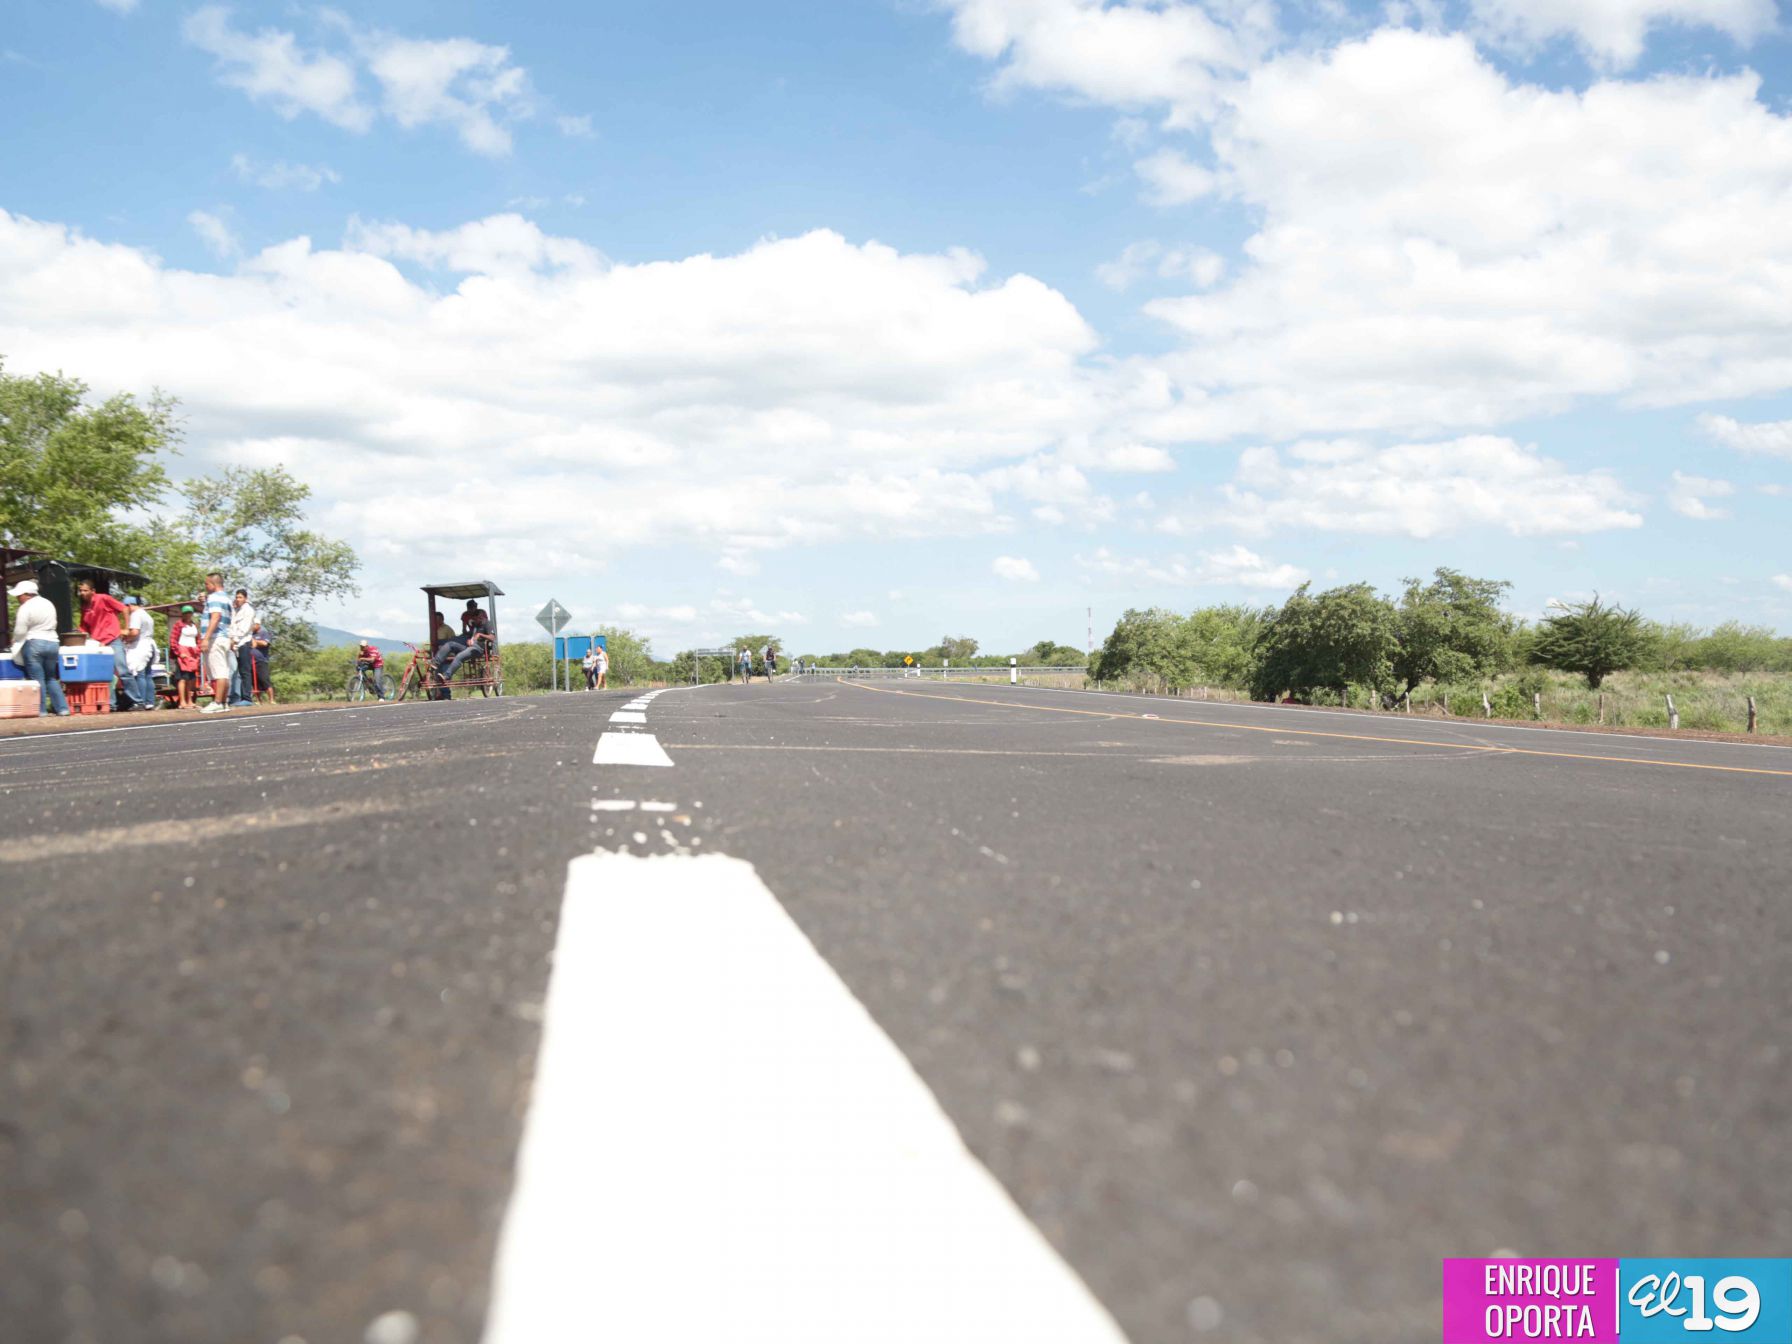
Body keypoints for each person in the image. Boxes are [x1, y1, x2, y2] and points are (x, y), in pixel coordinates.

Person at [7, 579, 69, 715]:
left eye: (19, 595)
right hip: (53, 642)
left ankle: (41, 710)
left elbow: (20, 631)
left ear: (27, 594)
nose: (18, 598)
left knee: (37, 679)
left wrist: (15, 640)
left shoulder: (25, 607)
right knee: (51, 677)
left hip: (34, 642)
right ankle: (63, 708)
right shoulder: (48, 603)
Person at [75, 579, 129, 708]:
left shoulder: (104, 598)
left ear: (93, 591)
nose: (82, 593)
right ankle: (111, 704)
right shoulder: (84, 606)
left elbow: (124, 609)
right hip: (99, 644)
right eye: (80, 591)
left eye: (85, 590)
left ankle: (137, 701)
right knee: (106, 675)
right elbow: (83, 627)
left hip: (113, 639)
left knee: (123, 671)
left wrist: (126, 628)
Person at [200, 572, 234, 714]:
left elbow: (215, 617)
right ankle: (224, 702)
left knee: (218, 671)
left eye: (207, 584)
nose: (205, 586)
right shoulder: (226, 598)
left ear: (214, 584)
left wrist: (206, 638)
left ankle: (218, 702)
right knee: (224, 671)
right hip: (225, 637)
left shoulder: (213, 597)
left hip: (216, 637)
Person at [122, 596, 157, 710]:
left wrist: (126, 638)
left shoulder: (136, 615)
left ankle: (140, 701)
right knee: (147, 675)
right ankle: (149, 701)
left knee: (139, 674)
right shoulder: (146, 614)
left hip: (140, 646)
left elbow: (135, 632)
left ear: (129, 605)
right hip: (150, 645)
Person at [228, 589, 257, 708]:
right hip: (235, 644)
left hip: (243, 643)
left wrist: (234, 639)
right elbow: (232, 624)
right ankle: (236, 697)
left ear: (245, 598)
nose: (238, 599)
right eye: (237, 597)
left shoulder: (248, 610)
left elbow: (244, 628)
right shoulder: (237, 610)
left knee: (245, 671)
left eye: (240, 597)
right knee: (236, 671)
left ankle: (247, 698)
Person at [170, 604, 200, 709]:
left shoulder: (194, 625)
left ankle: (190, 700)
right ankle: (182, 701)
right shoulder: (178, 625)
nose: (188, 615)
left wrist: (198, 650)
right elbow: (173, 640)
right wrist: (179, 652)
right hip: (183, 652)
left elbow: (198, 639)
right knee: (182, 678)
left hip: (193, 653)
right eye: (186, 613)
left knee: (191, 678)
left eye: (190, 613)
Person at [250, 621, 274, 704]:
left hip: (261, 660)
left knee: (264, 680)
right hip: (250, 661)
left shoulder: (264, 633)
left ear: (258, 625)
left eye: (252, 625)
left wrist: (254, 641)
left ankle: (271, 700)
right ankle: (259, 700)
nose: (251, 626)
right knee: (254, 682)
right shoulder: (249, 635)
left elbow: (265, 643)